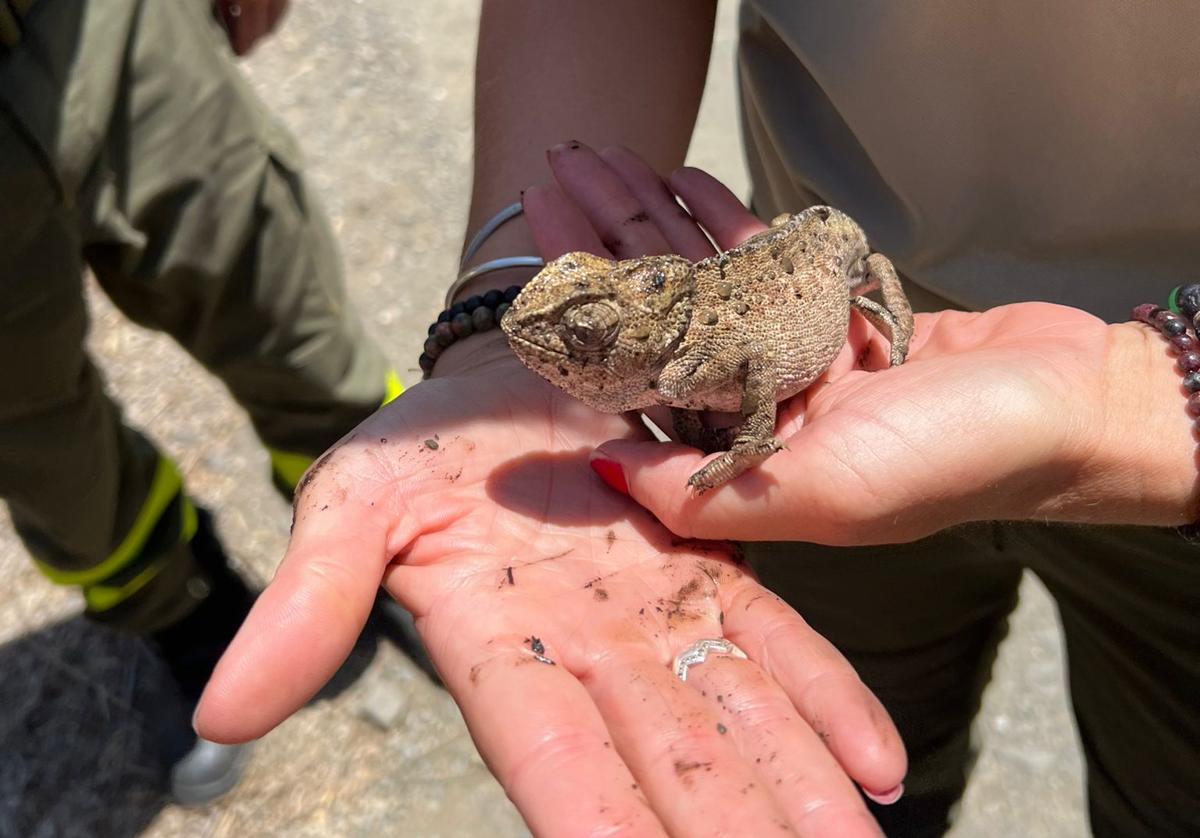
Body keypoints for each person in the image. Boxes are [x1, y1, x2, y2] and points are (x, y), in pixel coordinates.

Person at [196, 2, 1199, 836]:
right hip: (853, 414)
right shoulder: (658, 336)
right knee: (847, 756)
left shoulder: (700, 357)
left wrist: (1151, 396)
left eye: (580, 333)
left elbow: (756, 367)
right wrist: (492, 325)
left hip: (1167, 463)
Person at [0, 0, 402, 805]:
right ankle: (187, 616)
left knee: (290, 319)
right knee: (45, 455)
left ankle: (388, 542)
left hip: (88, 22)